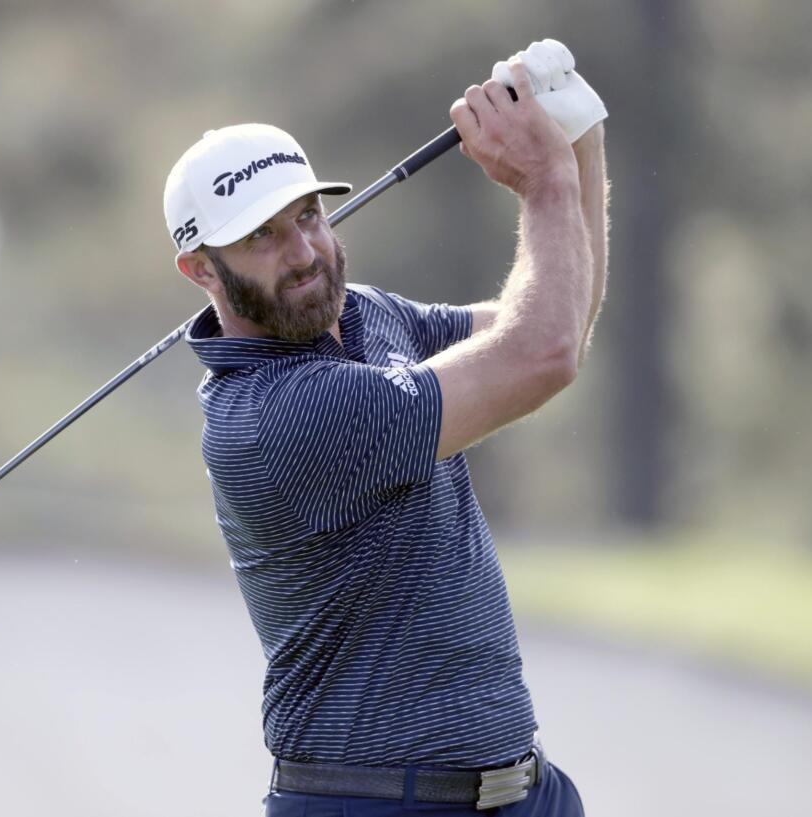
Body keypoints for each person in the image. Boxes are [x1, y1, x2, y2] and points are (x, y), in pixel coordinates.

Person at [162, 41, 608, 816]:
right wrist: (544, 184)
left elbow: (554, 313)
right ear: (202, 269)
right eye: (262, 236)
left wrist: (577, 133)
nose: (304, 252)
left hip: (522, 791)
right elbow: (544, 353)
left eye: (308, 215)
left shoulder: (362, 313)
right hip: (373, 803)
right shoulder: (277, 418)